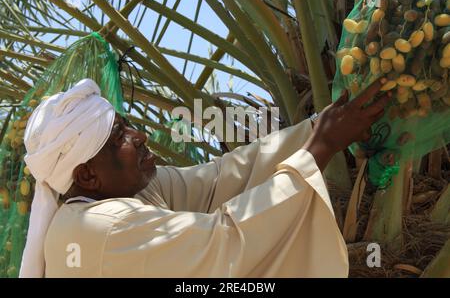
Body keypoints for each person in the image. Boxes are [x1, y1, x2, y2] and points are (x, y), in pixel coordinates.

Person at [19, 77, 390, 278]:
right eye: (120, 138)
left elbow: (219, 180)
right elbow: (225, 243)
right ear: (87, 174)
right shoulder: (97, 228)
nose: (140, 136)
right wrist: (321, 147)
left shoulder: (127, 193)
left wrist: (317, 126)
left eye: (127, 125)